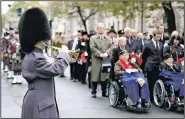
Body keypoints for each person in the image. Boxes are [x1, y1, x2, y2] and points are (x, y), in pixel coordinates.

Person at [19, 8, 70, 118]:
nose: (46, 41)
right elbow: (55, 69)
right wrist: (64, 54)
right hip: (41, 103)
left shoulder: (33, 55)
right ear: (37, 40)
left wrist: (62, 57)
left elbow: (48, 65)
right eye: (43, 39)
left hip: (38, 100)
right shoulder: (36, 57)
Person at [90, 22, 113, 98]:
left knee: (105, 75)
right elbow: (92, 48)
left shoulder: (108, 38)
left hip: (105, 59)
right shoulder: (93, 38)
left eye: (103, 28)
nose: (101, 29)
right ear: (97, 29)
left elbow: (111, 47)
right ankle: (93, 91)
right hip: (96, 58)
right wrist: (100, 54)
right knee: (95, 75)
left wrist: (106, 53)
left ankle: (104, 91)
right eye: (100, 28)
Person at [142, 29, 163, 102]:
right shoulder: (148, 44)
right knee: (151, 82)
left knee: (157, 81)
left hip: (158, 65)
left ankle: (156, 95)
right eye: (157, 36)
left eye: (160, 36)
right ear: (154, 35)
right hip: (150, 66)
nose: (159, 37)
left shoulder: (160, 44)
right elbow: (144, 55)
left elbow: (161, 55)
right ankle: (151, 98)